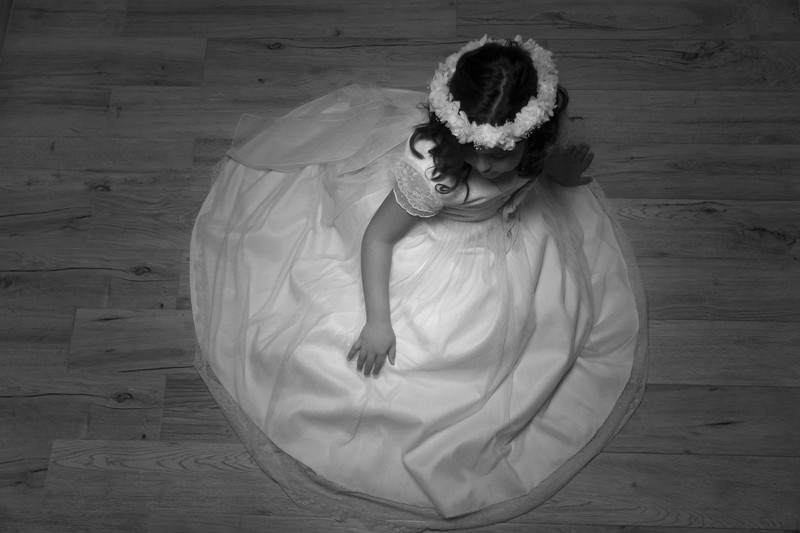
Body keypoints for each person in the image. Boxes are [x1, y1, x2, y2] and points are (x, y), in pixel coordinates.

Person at [191, 35, 645, 523]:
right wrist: (378, 322)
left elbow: (526, 165)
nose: (486, 165)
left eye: (503, 153)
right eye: (474, 150)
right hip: (431, 243)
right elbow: (378, 239)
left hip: (502, 237)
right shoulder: (433, 174)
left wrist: (553, 168)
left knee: (541, 322)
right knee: (435, 351)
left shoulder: (527, 146)